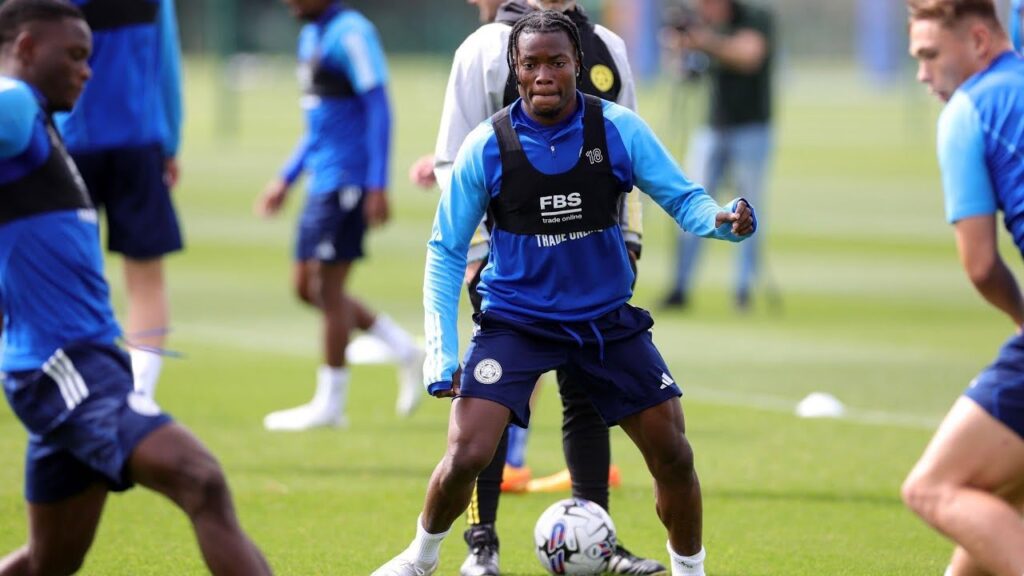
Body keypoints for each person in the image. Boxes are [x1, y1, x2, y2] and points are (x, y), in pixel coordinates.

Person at [373, 10, 755, 576]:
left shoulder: (618, 129)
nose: (545, 74)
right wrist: (441, 350)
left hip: (605, 323)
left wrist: (721, 220)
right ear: (515, 69)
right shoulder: (488, 145)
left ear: (578, 64)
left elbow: (683, 198)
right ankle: (420, 558)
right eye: (532, 64)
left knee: (673, 454)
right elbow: (446, 251)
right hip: (516, 324)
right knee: (466, 454)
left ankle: (690, 570)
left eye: (557, 61)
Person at [0, 1, 272, 574]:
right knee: (201, 479)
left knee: (47, 564)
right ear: (25, 48)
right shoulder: (18, 102)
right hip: (63, 367)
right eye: (74, 55)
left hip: (85, 364)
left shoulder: (43, 124)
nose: (88, 69)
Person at [412, 1, 660, 574]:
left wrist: (630, 239)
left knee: (588, 399)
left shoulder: (608, 46)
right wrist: (477, 253)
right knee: (494, 405)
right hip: (508, 263)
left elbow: (632, 154)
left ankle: (598, 544)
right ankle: (482, 544)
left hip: (593, 263)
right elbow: (456, 158)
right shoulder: (482, 49)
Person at [256, 0, 425, 431]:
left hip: (348, 179)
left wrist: (376, 183)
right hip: (321, 180)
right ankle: (402, 347)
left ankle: (330, 403)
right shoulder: (311, 34)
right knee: (305, 287)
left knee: (328, 290)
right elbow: (318, 125)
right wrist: (285, 177)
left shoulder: (352, 33)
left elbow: (379, 107)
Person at [900, 2, 1024, 576]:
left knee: (933, 488)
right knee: (998, 493)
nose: (924, 74)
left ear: (978, 40)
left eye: (930, 55)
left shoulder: (970, 109)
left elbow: (980, 266)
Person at [53, 0, 183, 400]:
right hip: (139, 142)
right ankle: (139, 394)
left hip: (69, 142)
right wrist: (171, 140)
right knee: (146, 277)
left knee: (61, 274)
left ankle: (75, 387)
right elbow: (167, 67)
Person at [660, 0, 773, 311]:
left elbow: (749, 55)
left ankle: (742, 290)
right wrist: (678, 50)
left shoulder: (753, 17)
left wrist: (703, 41)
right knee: (691, 201)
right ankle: (680, 287)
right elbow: (684, 73)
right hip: (710, 126)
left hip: (751, 126)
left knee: (747, 208)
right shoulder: (698, 22)